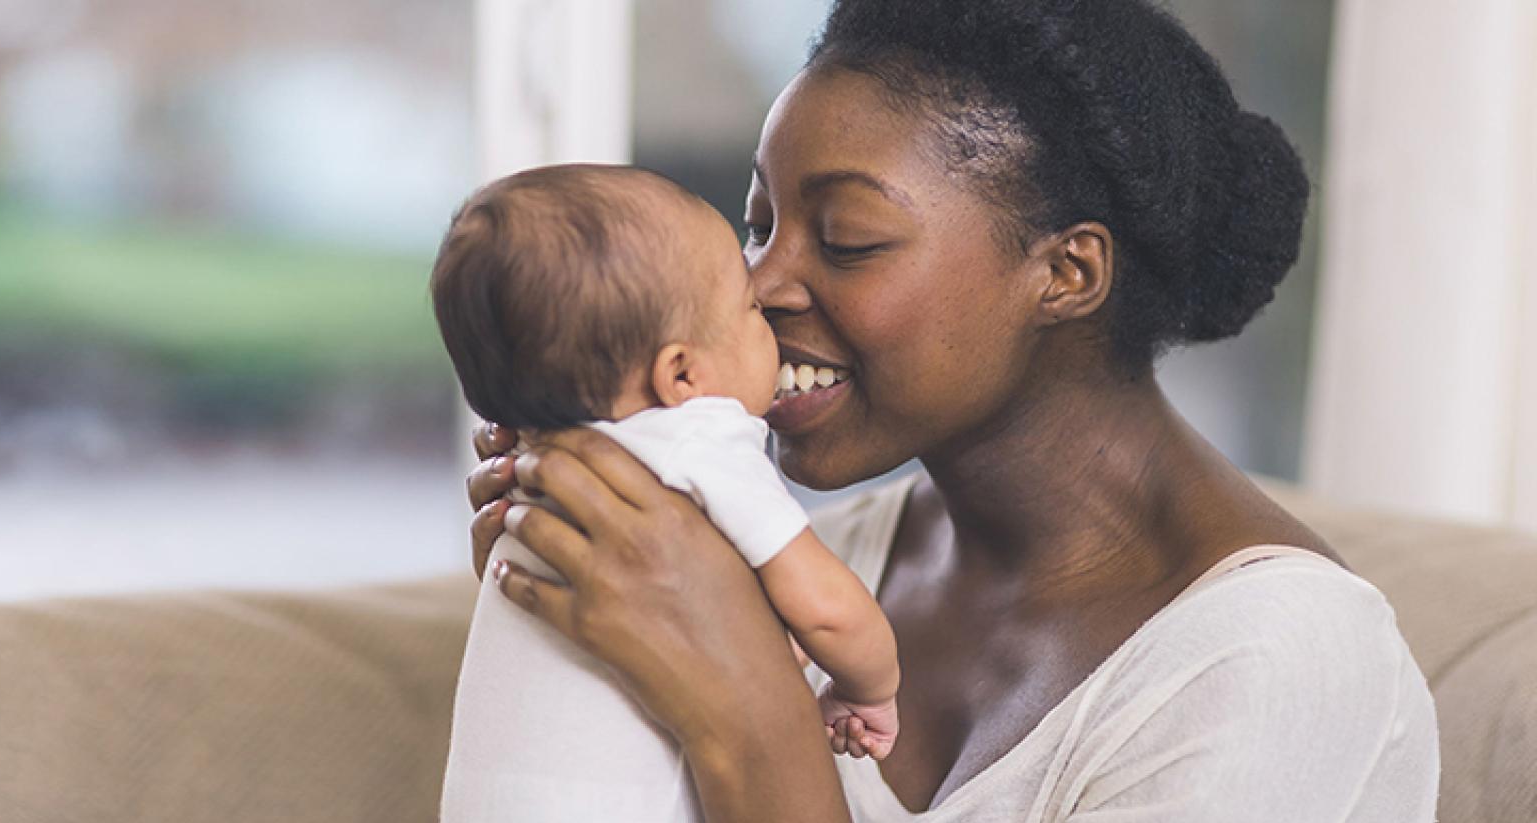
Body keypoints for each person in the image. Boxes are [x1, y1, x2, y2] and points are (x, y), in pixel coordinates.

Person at [461, 0, 1441, 820]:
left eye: (845, 240)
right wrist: (556, 570)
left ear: (1066, 272)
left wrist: (754, 720)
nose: (756, 288)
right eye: (757, 227)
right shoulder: (823, 558)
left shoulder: (1276, 664)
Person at [431, 164, 902, 823]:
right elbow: (830, 611)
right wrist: (869, 687)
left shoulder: (539, 465)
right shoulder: (698, 442)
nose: (764, 294)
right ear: (680, 372)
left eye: (846, 239)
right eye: (747, 304)